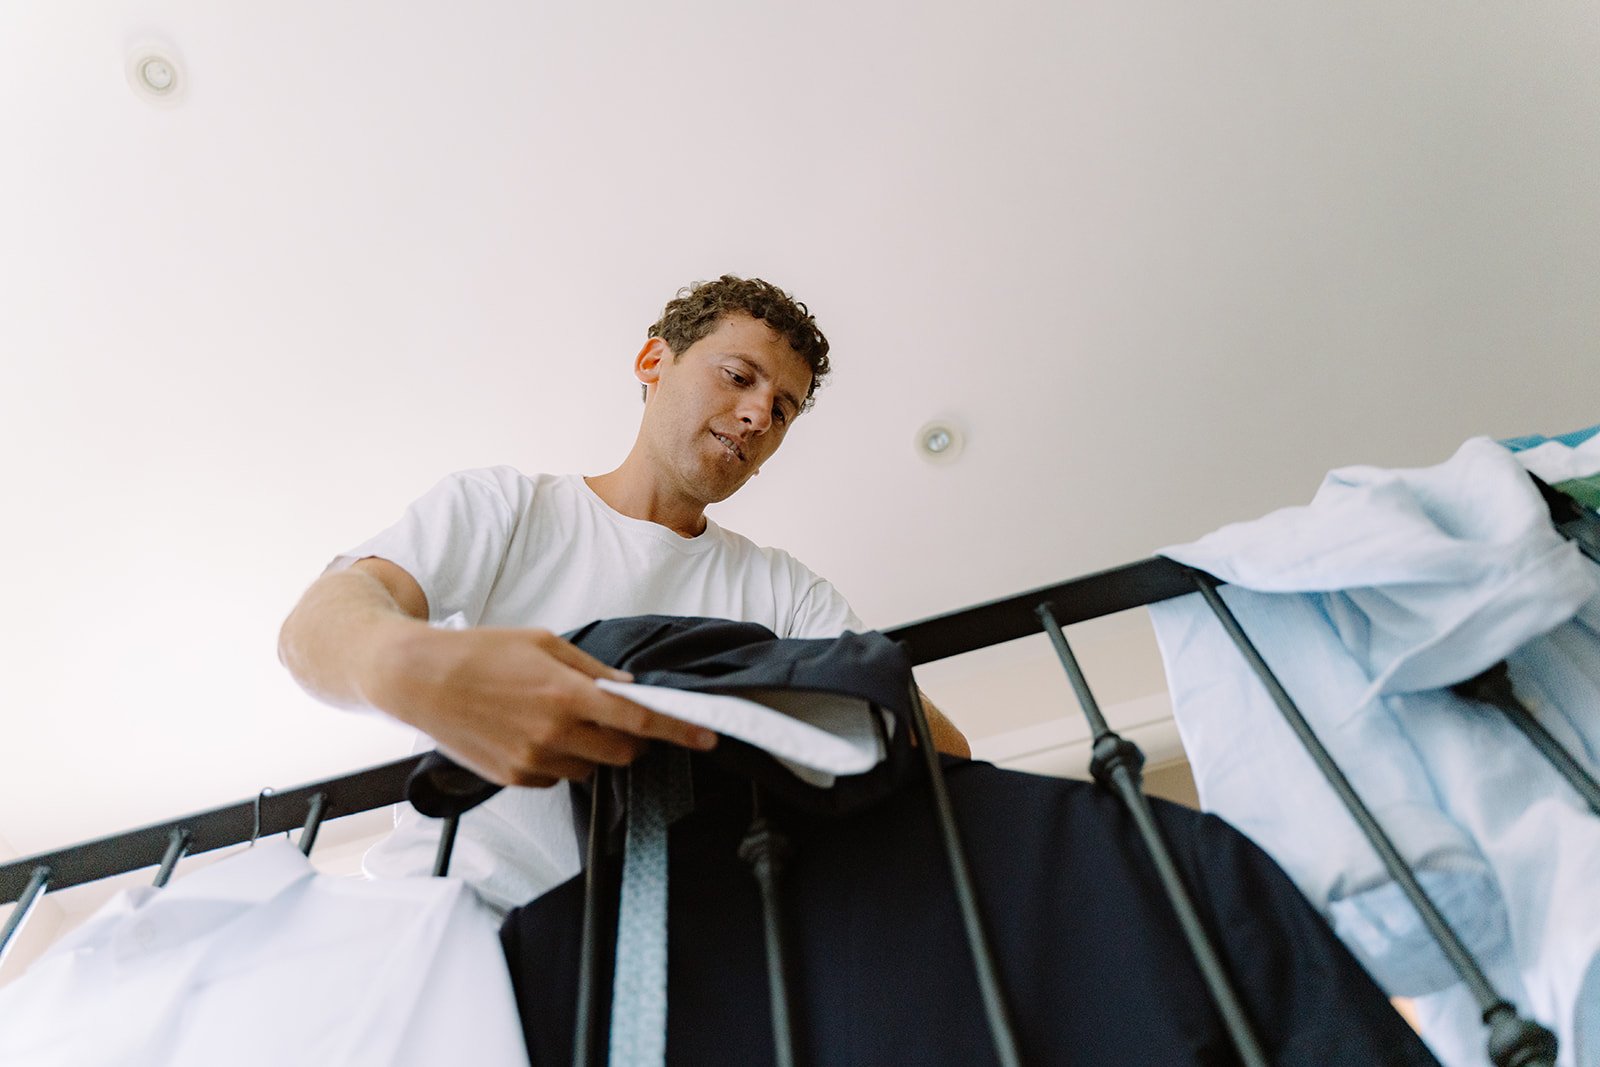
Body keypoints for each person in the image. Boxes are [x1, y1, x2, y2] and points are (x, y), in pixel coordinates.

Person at [277, 274, 969, 911]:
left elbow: (941, 748)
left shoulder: (785, 589)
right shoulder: (507, 507)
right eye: (738, 376)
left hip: (659, 962)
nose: (759, 415)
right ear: (653, 363)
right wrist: (413, 669)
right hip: (441, 923)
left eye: (782, 409)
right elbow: (316, 628)